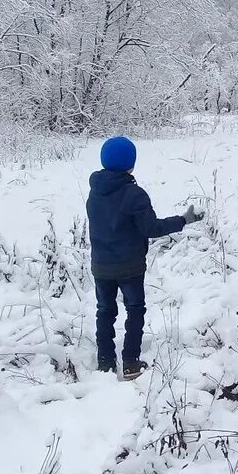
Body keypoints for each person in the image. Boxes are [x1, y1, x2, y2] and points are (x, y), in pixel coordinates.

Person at [86, 136, 204, 380]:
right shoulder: (134, 194)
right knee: (135, 309)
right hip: (130, 266)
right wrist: (184, 220)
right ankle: (130, 362)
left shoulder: (94, 193)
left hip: (101, 266)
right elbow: (150, 228)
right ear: (131, 164)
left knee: (105, 311)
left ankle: (106, 362)